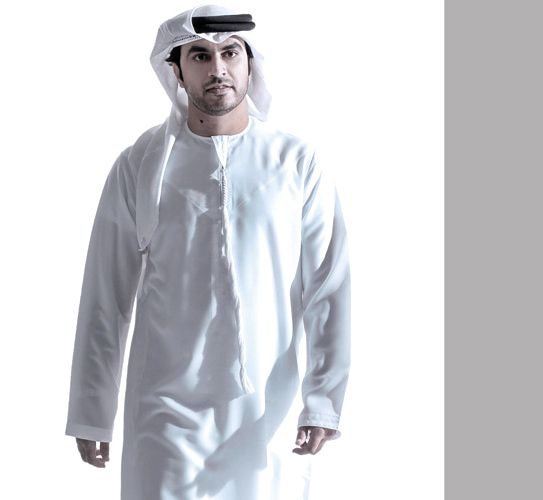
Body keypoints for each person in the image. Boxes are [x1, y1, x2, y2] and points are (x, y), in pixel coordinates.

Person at [65, 5, 351, 499]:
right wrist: (92, 410)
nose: (218, 68)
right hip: (164, 418)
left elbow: (329, 286)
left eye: (230, 53)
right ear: (176, 70)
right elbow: (106, 296)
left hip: (268, 414)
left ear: (250, 63)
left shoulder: (296, 162)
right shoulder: (140, 165)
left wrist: (323, 400)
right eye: (200, 55)